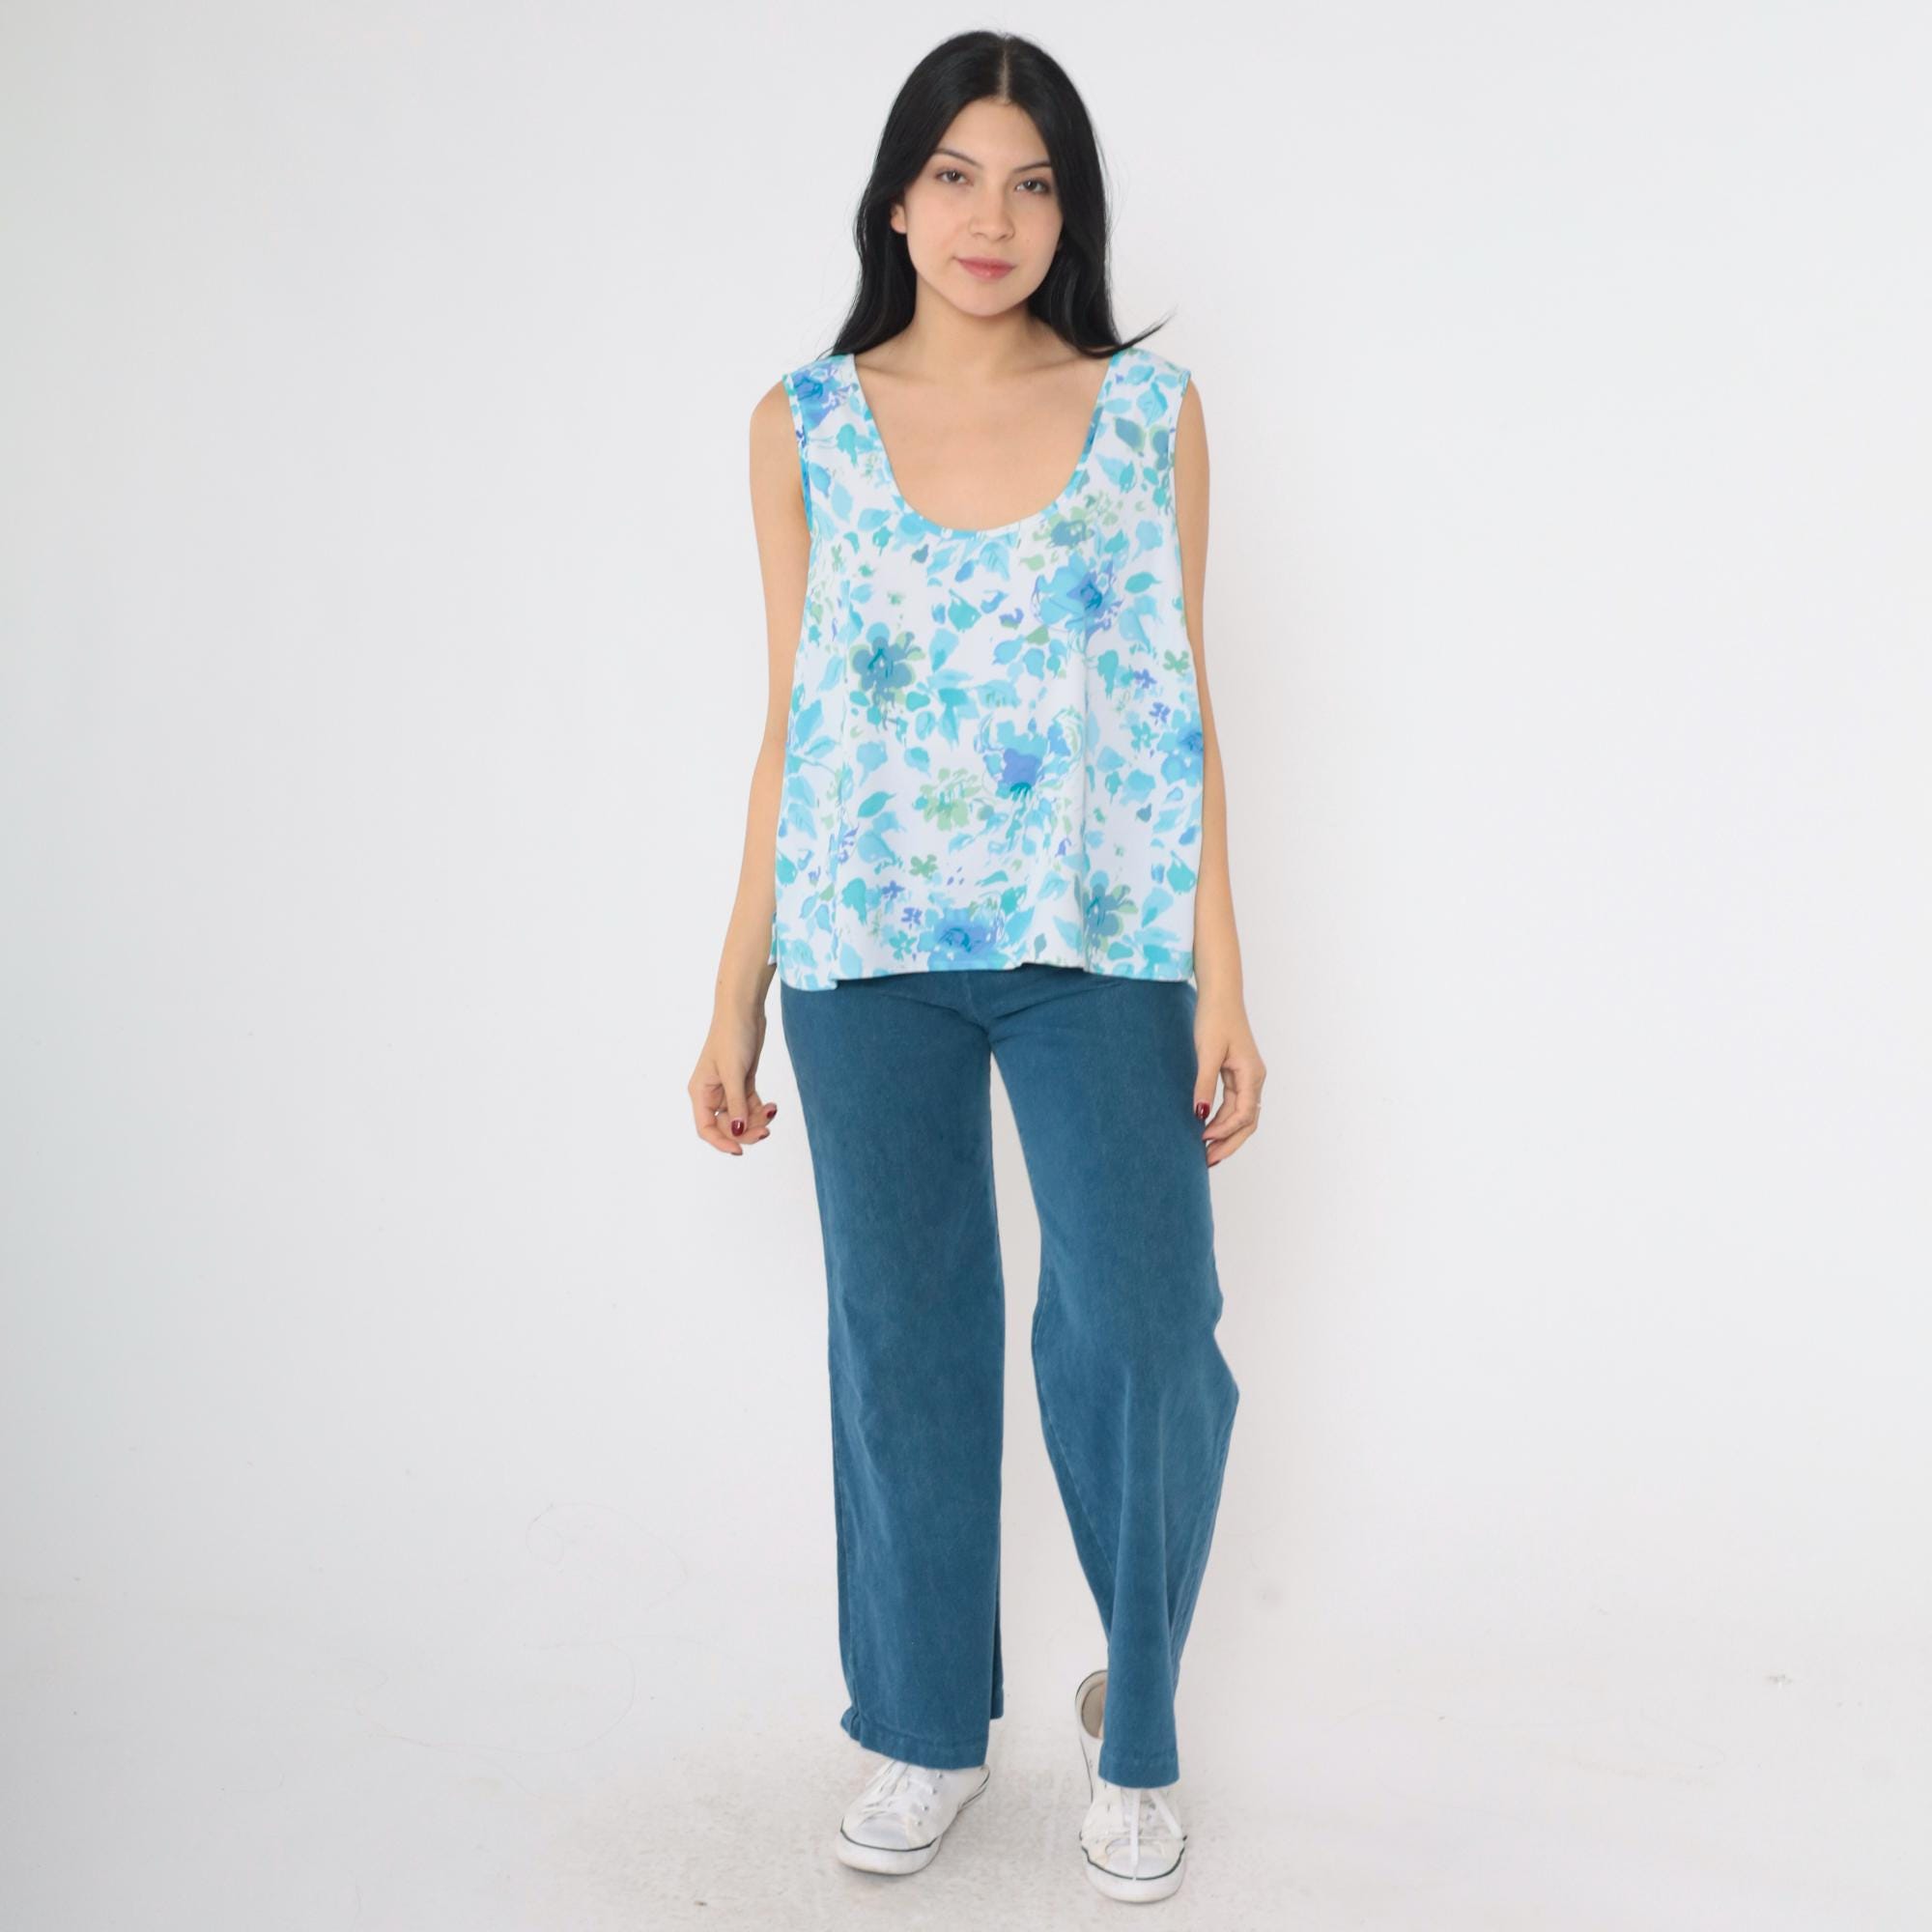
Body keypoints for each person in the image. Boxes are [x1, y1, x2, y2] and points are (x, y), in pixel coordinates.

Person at [689, 28, 1265, 1904]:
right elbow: (790, 718)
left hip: (1094, 936)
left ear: (1070, 213)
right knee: (902, 1340)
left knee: (1147, 1324)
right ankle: (921, 1727)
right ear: (895, 199)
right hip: (860, 946)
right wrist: (733, 987)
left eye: (1031, 182)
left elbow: (1180, 705)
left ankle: (1135, 1720)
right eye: (954, 175)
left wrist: (1225, 979)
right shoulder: (803, 423)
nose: (990, 217)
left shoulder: (1147, 415)